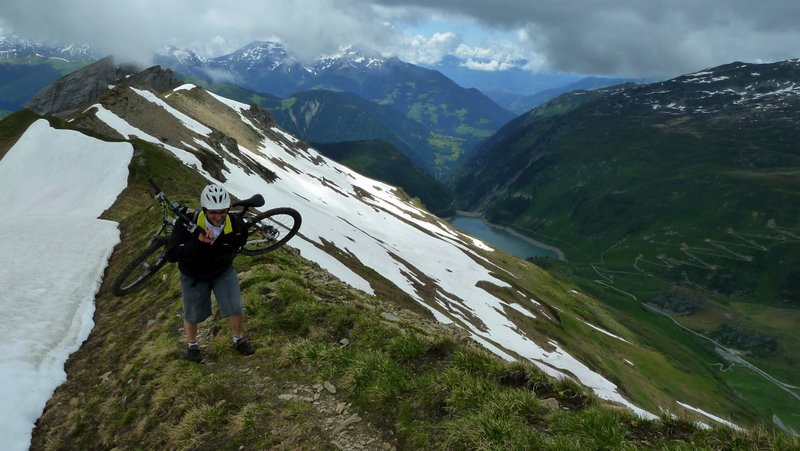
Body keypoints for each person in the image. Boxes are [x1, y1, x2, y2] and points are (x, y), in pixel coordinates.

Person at [165, 183, 254, 363]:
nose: (218, 216)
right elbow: (172, 254)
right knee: (192, 313)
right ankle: (192, 345)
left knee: (235, 306)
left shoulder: (236, 223)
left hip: (222, 271)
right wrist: (198, 243)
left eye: (222, 211)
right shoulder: (186, 223)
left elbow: (241, 241)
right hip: (194, 275)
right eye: (213, 212)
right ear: (204, 209)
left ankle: (238, 339)